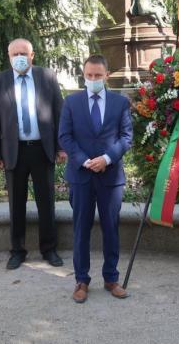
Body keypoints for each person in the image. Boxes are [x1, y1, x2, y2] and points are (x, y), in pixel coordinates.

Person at [58, 54, 133, 303]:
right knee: (81, 229)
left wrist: (107, 159)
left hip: (110, 177)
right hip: (81, 176)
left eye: (98, 76)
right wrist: (83, 160)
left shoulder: (120, 103)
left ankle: (111, 278)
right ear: (83, 74)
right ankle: (81, 280)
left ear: (106, 76)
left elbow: (126, 137)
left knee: (111, 228)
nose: (93, 79)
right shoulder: (71, 102)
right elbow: (65, 137)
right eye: (89, 75)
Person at [0, 38, 66, 270]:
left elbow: (59, 113)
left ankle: (49, 249)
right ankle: (17, 251)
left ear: (32, 55)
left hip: (42, 149)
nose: (19, 57)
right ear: (8, 56)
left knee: (46, 202)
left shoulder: (47, 77)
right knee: (16, 203)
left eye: (24, 53)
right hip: (14, 151)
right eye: (15, 54)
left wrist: (62, 147)